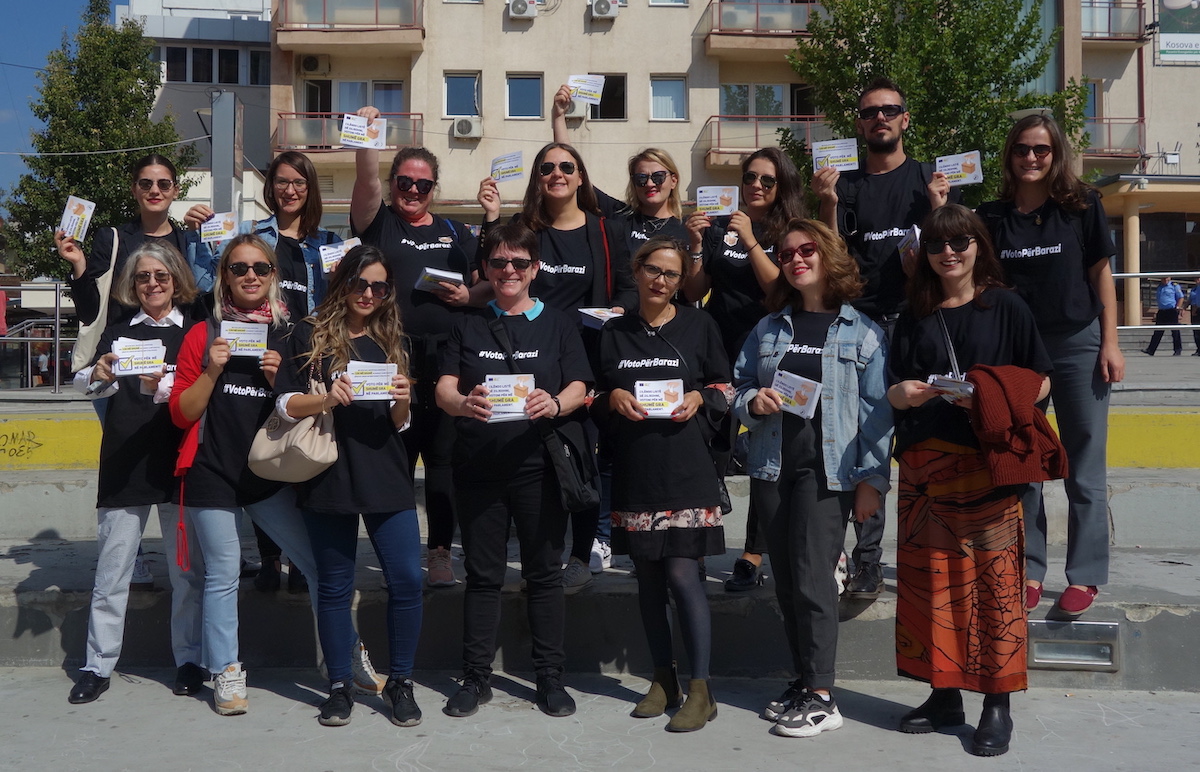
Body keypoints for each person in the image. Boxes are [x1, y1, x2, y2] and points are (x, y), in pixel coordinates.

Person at [888, 204, 1053, 757]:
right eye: (937, 245)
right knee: (932, 588)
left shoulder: (1006, 307)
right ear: (925, 255)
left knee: (994, 591)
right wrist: (905, 393)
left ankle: (997, 703)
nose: (948, 253)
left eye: (959, 242)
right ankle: (944, 694)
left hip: (987, 467)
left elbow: (1041, 380)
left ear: (979, 245)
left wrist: (988, 395)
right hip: (923, 469)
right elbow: (891, 386)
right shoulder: (914, 314)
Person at [733, 219, 891, 738]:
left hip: (830, 470)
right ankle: (803, 680)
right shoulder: (770, 328)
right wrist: (750, 402)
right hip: (774, 462)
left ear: (827, 256)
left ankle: (824, 697)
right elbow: (736, 385)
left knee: (813, 577)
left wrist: (873, 480)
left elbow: (878, 414)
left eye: (807, 251)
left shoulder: (862, 332)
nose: (796, 260)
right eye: (786, 254)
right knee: (786, 580)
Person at [435, 221, 592, 719]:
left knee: (544, 575)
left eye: (519, 263)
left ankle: (549, 678)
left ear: (535, 269)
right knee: (482, 576)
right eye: (499, 262)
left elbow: (580, 384)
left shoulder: (561, 323)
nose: (508, 271)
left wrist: (556, 403)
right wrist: (463, 404)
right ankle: (476, 677)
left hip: (539, 467)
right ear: (485, 268)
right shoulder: (467, 324)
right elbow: (443, 389)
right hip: (480, 466)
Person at [811, 76, 956, 600]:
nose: (880, 118)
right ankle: (866, 561)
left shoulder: (928, 179)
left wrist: (938, 207)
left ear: (904, 119)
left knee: (923, 443)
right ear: (858, 123)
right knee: (864, 441)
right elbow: (832, 256)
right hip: (860, 324)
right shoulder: (844, 184)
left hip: (918, 322)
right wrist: (826, 203)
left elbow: (954, 252)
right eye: (870, 112)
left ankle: (929, 553)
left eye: (889, 110)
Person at [977, 114, 1125, 617]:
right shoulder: (992, 216)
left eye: (1041, 149)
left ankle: (1084, 575)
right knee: (1026, 464)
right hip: (1019, 353)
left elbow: (1101, 277)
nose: (1032, 158)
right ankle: (1030, 569)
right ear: (1010, 155)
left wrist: (1111, 343)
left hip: (1078, 344)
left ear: (1055, 153)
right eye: (1022, 149)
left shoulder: (1082, 206)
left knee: (1085, 464)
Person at [275, 244, 424, 728]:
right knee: (335, 587)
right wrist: (325, 399)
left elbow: (400, 423)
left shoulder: (391, 339)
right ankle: (339, 686)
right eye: (360, 283)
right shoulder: (309, 332)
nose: (368, 293)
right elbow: (282, 406)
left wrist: (403, 401)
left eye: (379, 286)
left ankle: (400, 682)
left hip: (385, 471)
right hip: (331, 472)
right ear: (343, 282)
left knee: (406, 579)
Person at [478, 142, 634, 593]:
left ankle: (581, 554)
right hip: (532, 353)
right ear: (537, 178)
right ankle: (538, 550)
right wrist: (491, 218)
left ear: (581, 176)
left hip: (590, 354)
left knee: (583, 455)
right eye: (547, 167)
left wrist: (617, 313)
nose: (557, 173)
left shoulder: (606, 230)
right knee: (537, 456)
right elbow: (491, 272)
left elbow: (626, 287)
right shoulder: (524, 229)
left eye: (567, 166)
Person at [185, 150, 342, 593]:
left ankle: (298, 556)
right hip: (254, 351)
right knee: (263, 440)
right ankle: (272, 558)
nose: (290, 190)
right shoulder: (251, 238)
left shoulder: (328, 243)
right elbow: (204, 283)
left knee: (299, 449)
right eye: (282, 181)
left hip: (307, 356)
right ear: (270, 187)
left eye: (300, 182)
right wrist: (200, 236)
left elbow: (339, 302)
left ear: (310, 189)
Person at [552, 84, 690, 575]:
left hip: (668, 342)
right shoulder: (618, 218)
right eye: (640, 177)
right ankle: (606, 536)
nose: (649, 183)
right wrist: (560, 122)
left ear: (672, 179)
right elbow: (576, 180)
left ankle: (666, 528)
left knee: (659, 438)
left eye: (657, 176)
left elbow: (697, 292)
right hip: (617, 338)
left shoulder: (692, 229)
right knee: (610, 439)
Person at [596, 237, 732, 732]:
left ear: (681, 281)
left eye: (671, 274)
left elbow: (725, 384)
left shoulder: (700, 324)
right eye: (653, 269)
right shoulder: (613, 333)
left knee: (681, 575)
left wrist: (700, 398)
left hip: (687, 470)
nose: (660, 280)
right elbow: (593, 392)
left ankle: (701, 689)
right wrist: (610, 398)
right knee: (649, 583)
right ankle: (663, 679)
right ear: (637, 270)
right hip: (637, 470)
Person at [352, 108, 483, 589]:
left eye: (422, 185)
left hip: (448, 360)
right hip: (394, 356)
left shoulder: (454, 232)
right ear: (392, 185)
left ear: (434, 190)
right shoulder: (379, 224)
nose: (412, 190)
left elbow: (485, 286)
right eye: (404, 182)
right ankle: (400, 553)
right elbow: (365, 182)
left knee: (444, 462)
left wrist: (469, 296)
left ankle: (441, 554)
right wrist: (370, 136)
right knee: (396, 460)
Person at [67, 241, 200, 705]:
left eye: (161, 276)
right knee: (112, 572)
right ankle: (97, 666)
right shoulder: (120, 331)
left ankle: (189, 660)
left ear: (176, 279)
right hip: (126, 462)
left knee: (187, 574)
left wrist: (163, 385)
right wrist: (100, 370)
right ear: (133, 283)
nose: (152, 284)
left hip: (180, 463)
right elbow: (84, 382)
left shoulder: (196, 333)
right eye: (143, 277)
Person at [167, 234, 296, 715]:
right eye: (239, 268)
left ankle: (344, 661)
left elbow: (305, 411)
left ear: (272, 276)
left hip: (269, 472)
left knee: (323, 567)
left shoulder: (288, 334)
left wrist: (276, 380)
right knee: (221, 573)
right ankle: (225, 672)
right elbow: (181, 413)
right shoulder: (203, 333)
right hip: (210, 472)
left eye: (260, 269)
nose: (250, 277)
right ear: (224, 276)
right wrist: (211, 371)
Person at [683, 146, 807, 592]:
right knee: (709, 446)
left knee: (763, 453)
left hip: (768, 350)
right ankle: (696, 542)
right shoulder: (720, 227)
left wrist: (752, 240)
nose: (755, 186)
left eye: (766, 180)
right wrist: (697, 247)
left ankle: (753, 553)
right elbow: (697, 288)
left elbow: (780, 287)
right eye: (750, 177)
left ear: (781, 187)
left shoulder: (788, 231)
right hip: (718, 346)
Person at [1143, 276, 1184, 356]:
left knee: (1175, 331)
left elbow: (1181, 297)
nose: (1165, 280)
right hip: (1162, 311)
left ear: (1170, 278)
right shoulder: (1160, 286)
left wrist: (1178, 308)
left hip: (1171, 311)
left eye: (1166, 278)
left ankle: (1177, 350)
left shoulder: (1174, 286)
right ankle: (1151, 350)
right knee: (1157, 331)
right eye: (1163, 278)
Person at [1188, 281, 1200, 355]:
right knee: (1196, 331)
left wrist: (1195, 309)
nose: (1197, 280)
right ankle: (1199, 349)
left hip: (1197, 309)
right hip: (1194, 309)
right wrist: (1183, 308)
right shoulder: (1194, 289)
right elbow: (1190, 300)